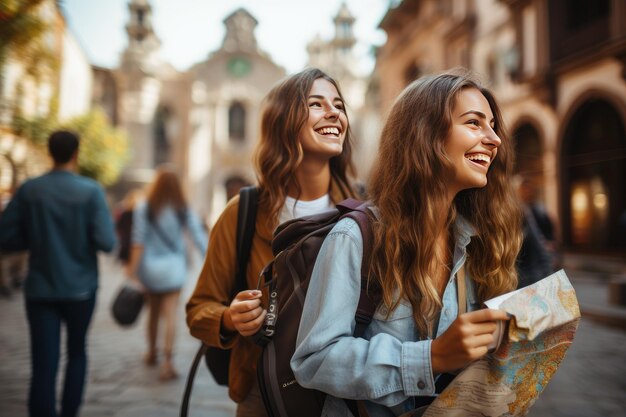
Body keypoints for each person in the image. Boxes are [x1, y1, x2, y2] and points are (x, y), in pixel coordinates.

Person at [291, 71, 523, 416]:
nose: (494, 139)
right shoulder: (355, 236)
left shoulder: (477, 242)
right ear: (425, 135)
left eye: (492, 126)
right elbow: (314, 360)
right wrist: (432, 358)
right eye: (474, 123)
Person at [186, 67, 357, 417]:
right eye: (316, 104)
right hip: (263, 391)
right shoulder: (243, 212)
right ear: (284, 121)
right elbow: (199, 308)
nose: (334, 113)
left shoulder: (361, 211)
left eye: (338, 105)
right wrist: (231, 318)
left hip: (344, 392)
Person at [0, 130, 116, 417]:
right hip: (81, 288)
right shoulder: (90, 191)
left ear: (50, 152)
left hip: (40, 287)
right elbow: (106, 242)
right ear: (76, 154)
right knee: (76, 353)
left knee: (43, 364)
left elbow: (5, 236)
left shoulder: (30, 189)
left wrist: (35, 239)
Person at [125, 165, 207, 381]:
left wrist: (131, 272)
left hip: (150, 268)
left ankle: (152, 352)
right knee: (170, 314)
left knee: (152, 311)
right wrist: (209, 258)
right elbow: (198, 235)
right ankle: (168, 362)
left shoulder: (145, 206)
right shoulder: (182, 207)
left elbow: (138, 240)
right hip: (174, 267)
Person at [515, 176, 555, 288]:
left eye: (529, 189)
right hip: (522, 267)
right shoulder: (517, 210)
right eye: (524, 189)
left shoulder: (539, 210)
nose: (527, 192)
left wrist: (549, 244)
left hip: (536, 266)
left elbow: (549, 232)